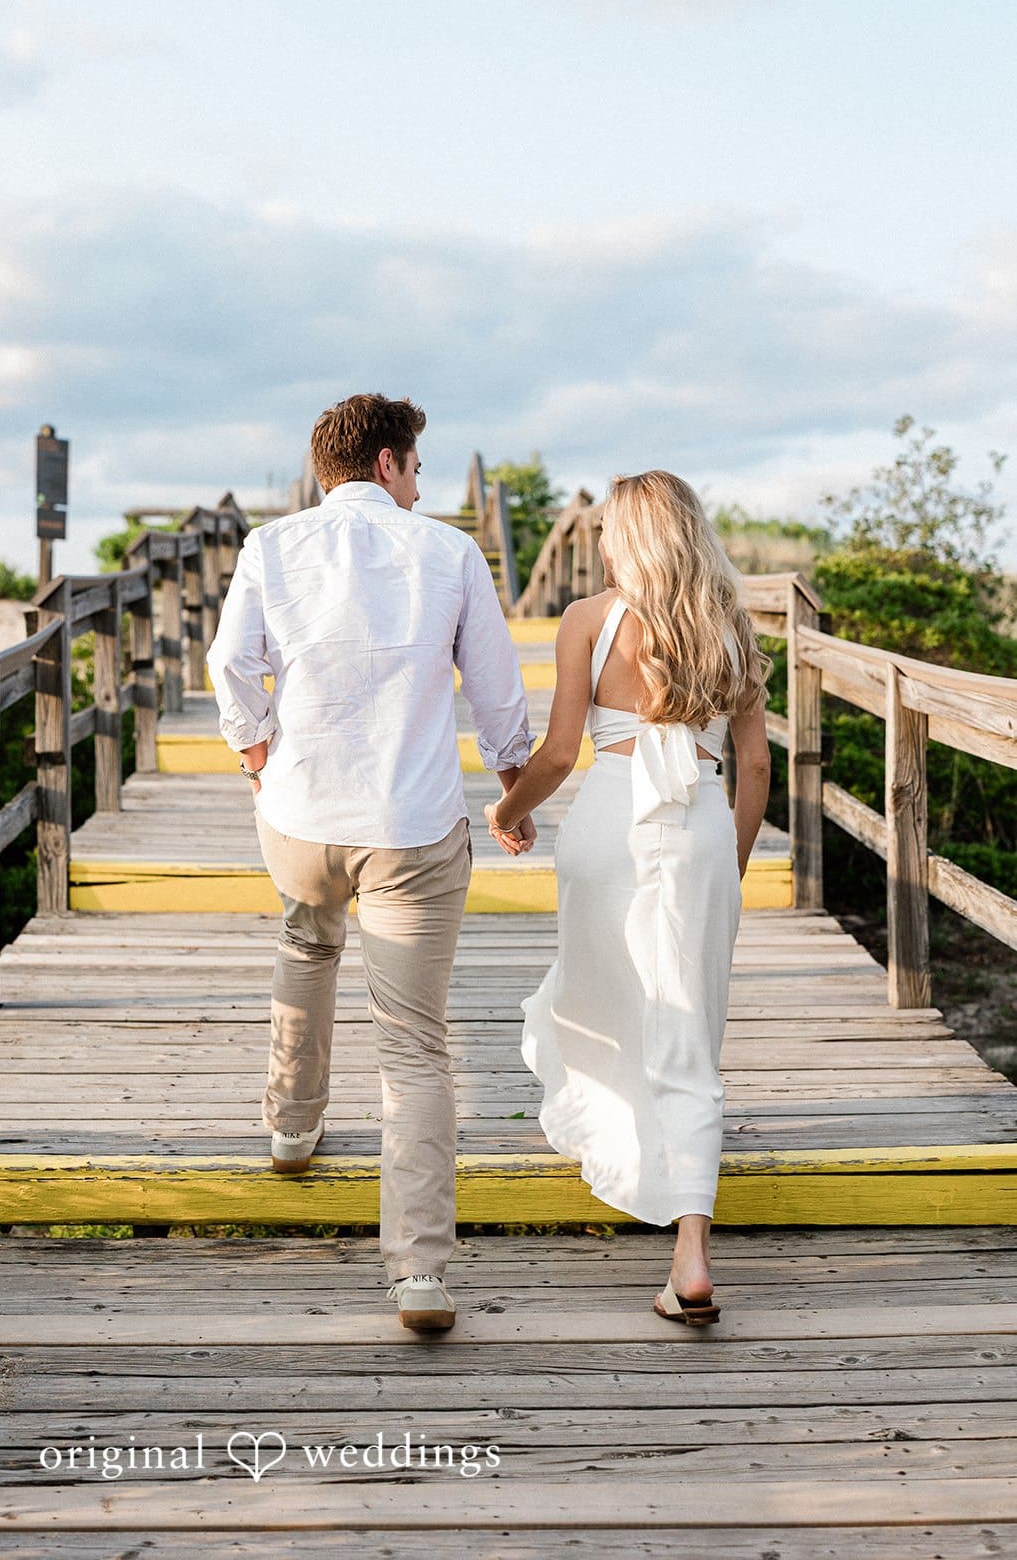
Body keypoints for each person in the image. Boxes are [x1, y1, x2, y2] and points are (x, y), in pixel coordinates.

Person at [207, 394, 535, 1331]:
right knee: (414, 1042)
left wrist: (258, 757)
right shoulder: (448, 552)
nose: (421, 484)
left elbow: (232, 666)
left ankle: (291, 1125)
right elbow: (497, 690)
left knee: (307, 943)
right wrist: (511, 794)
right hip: (411, 826)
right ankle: (418, 1274)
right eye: (418, 468)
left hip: (300, 813)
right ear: (389, 463)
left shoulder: (272, 547)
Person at [485, 469, 771, 1325]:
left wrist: (505, 811)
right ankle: (690, 1252)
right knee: (688, 1030)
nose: (600, 540)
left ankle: (631, 1160)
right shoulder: (731, 623)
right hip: (701, 827)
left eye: (607, 527)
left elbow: (559, 753)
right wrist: (732, 857)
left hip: (608, 823)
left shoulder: (589, 619)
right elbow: (753, 765)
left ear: (629, 536)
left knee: (598, 1002)